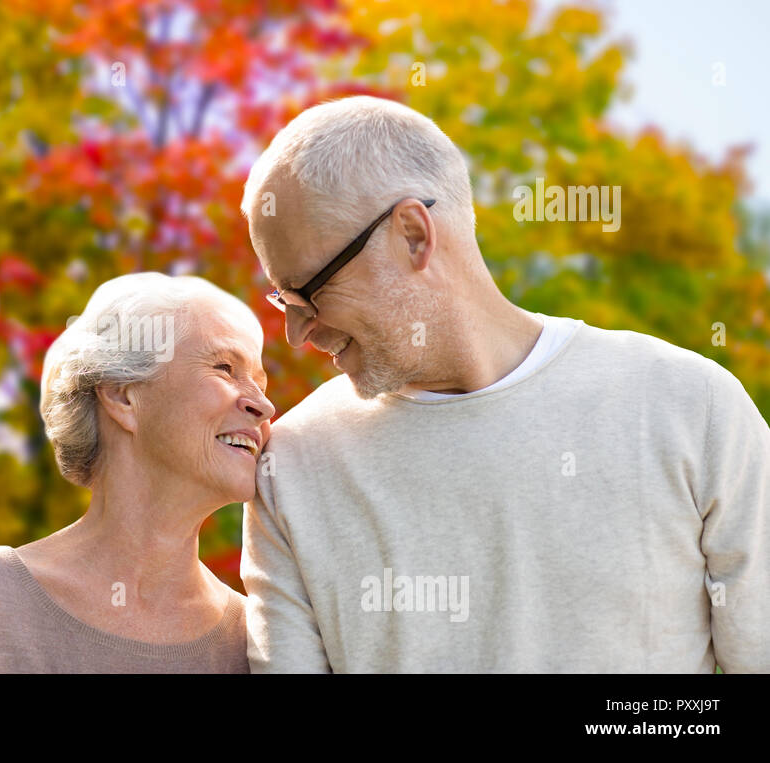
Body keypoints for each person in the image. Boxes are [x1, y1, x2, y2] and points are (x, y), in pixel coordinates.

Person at [238, 95, 770, 672]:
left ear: (413, 235)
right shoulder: (289, 469)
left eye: (308, 292)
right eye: (282, 300)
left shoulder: (691, 408)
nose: (296, 333)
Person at [0, 272, 274, 672]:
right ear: (123, 395)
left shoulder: (257, 644)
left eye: (262, 384)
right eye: (225, 368)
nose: (264, 407)